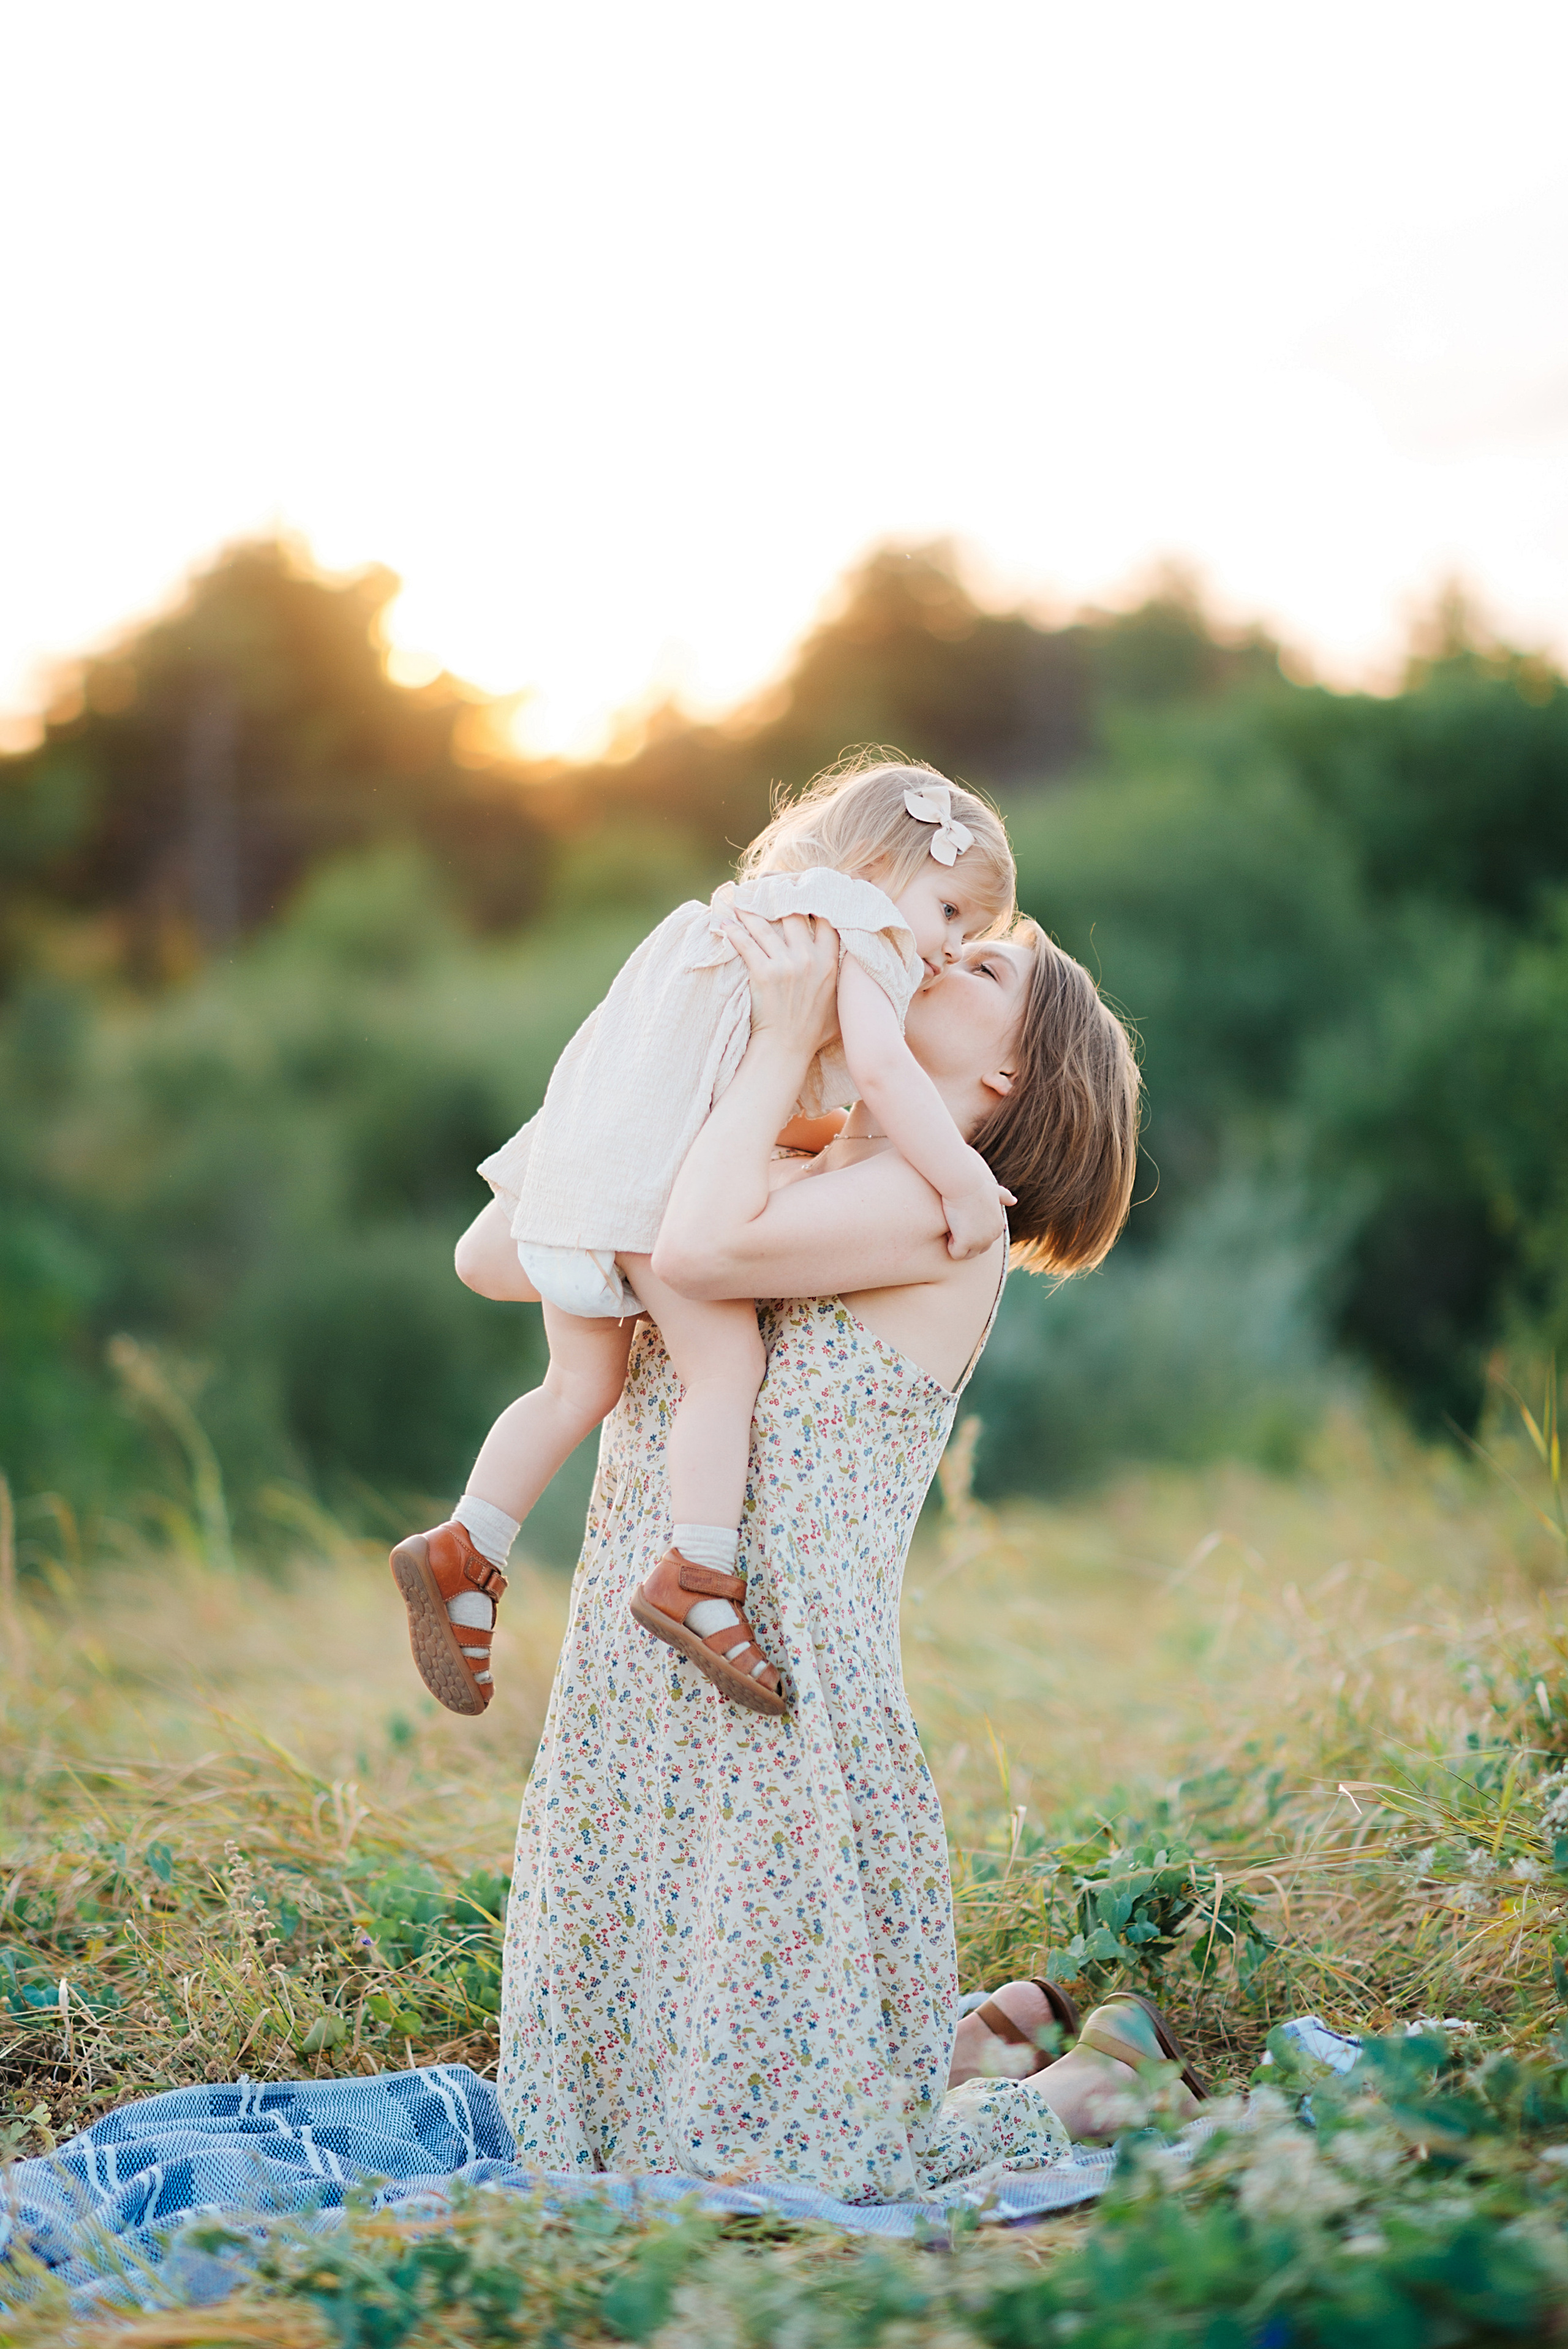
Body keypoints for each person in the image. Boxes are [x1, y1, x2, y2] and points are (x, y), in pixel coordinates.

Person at [475, 907, 1200, 2200]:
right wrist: (657, 1036)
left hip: (776, 1695)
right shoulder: (793, 1162)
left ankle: (1084, 2088)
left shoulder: (940, 1210)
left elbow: (693, 1251)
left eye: (979, 969)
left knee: (784, 2165)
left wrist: (779, 1041)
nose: (930, 955)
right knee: (621, 2127)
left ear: (1005, 1080)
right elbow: (491, 1254)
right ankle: (970, 2046)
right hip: (649, 1670)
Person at [390, 758, 1018, 1722]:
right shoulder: (863, 934)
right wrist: (965, 1180)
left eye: (970, 936)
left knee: (574, 1386)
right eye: (949, 914)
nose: (944, 946)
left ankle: (467, 1545)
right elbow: (885, 1075)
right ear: (879, 863)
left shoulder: (744, 916)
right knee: (727, 1371)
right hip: (657, 1191)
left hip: (584, 1161)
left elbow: (690, 1069)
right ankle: (700, 1572)